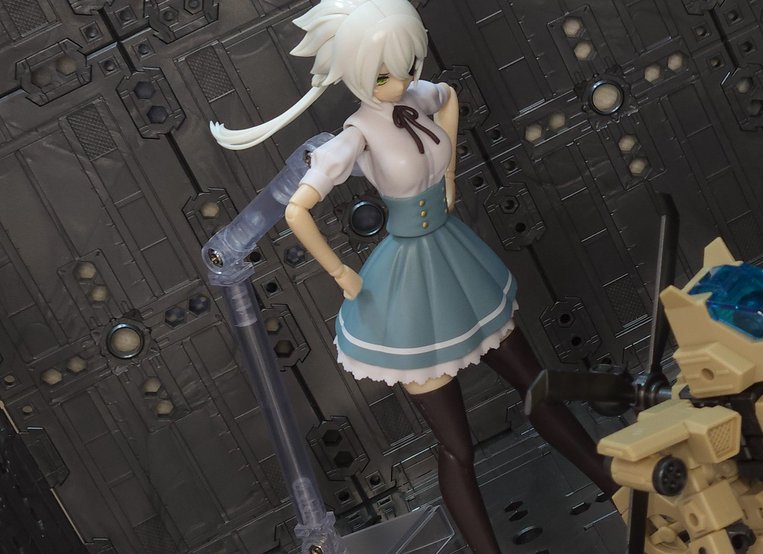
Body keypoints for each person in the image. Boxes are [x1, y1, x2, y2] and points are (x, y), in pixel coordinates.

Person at [210, 1, 617, 551]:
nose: (399, 83)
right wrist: (341, 273)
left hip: (457, 262)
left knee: (537, 387)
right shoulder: (355, 134)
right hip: (406, 285)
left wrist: (449, 178)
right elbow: (296, 209)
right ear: (355, 73)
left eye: (407, 67)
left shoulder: (418, 96)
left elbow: (448, 98)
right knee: (457, 448)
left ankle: (619, 489)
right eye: (383, 75)